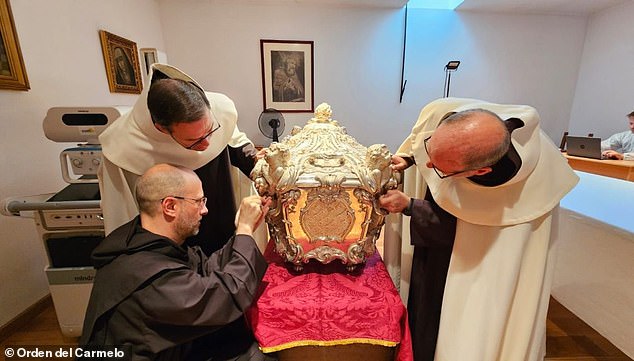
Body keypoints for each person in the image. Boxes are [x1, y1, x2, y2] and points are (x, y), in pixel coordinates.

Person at [379, 98, 579, 361]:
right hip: (435, 247)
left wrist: (409, 206)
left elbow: (459, 232)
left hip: (469, 269)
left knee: (452, 318)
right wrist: (410, 157)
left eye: (438, 168)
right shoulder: (444, 112)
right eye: (431, 152)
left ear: (482, 171)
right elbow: (424, 142)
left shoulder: (513, 187)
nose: (429, 166)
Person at [79, 163, 273, 360]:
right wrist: (245, 231)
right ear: (170, 206)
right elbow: (227, 296)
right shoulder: (146, 275)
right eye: (198, 201)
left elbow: (205, 270)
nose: (205, 210)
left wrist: (240, 232)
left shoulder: (145, 239)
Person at [98, 63, 259, 256]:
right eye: (194, 141)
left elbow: (235, 143)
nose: (207, 144)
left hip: (220, 210)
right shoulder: (122, 145)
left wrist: (260, 166)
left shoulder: (217, 110)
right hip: (170, 248)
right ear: (162, 129)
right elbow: (120, 213)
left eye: (210, 131)